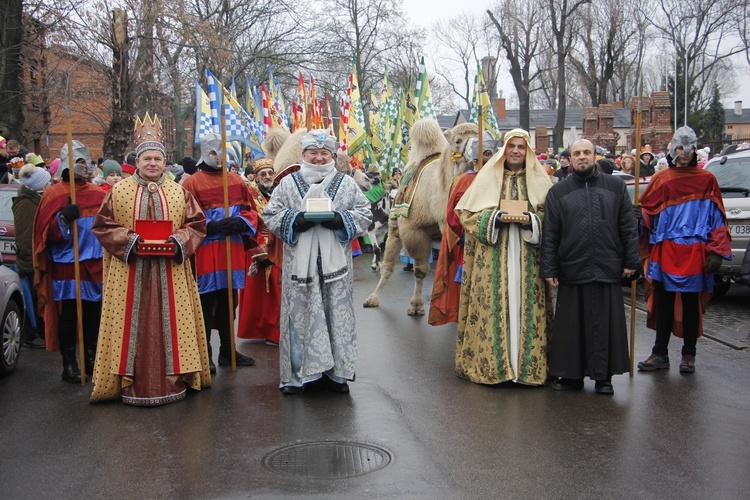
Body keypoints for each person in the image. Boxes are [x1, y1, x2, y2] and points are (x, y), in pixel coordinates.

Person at [89, 113, 211, 406]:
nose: (153, 163)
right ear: (138, 161)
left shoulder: (178, 192)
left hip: (172, 273)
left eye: (157, 158)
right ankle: (129, 382)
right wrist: (132, 241)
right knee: (132, 324)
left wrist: (178, 241)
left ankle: (174, 380)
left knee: (172, 324)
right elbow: (102, 225)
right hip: (129, 273)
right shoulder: (118, 191)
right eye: (147, 159)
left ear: (164, 160)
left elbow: (197, 225)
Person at [263, 129, 372, 394]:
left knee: (336, 318)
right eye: (314, 153)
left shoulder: (346, 184)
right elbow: (271, 214)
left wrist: (339, 220)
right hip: (299, 269)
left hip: (337, 270)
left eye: (325, 153)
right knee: (300, 317)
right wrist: (294, 220)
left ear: (332, 155)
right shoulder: (288, 184)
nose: (320, 158)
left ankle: (336, 376)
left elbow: (364, 213)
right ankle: (298, 377)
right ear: (304, 154)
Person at [453, 129, 553, 386]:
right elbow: (467, 215)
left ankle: (525, 371)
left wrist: (531, 220)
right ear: (504, 150)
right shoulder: (487, 179)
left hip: (528, 258)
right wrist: (494, 218)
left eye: (521, 147)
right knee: (495, 306)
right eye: (512, 146)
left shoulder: (541, 183)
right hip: (493, 259)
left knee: (524, 308)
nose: (516, 151)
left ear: (528, 151)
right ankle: (496, 369)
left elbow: (553, 219)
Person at [541, 139, 639, 394]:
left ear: (595, 156)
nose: (582, 157)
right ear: (570, 159)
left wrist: (631, 260)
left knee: (604, 325)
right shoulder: (558, 192)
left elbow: (628, 226)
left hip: (607, 264)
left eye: (587, 152)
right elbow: (551, 232)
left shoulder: (615, 187)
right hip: (573, 265)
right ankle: (572, 376)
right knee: (572, 326)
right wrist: (549, 268)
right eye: (577, 153)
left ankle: (603, 377)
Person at [636, 126, 731, 374]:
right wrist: (638, 218)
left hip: (695, 252)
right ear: (672, 149)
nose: (685, 152)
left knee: (691, 305)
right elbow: (648, 217)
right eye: (680, 147)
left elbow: (717, 219)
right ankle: (660, 353)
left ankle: (689, 355)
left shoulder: (707, 180)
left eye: (689, 147)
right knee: (664, 303)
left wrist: (716, 251)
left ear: (695, 149)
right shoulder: (661, 179)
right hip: (665, 250)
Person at [182, 133, 260, 372]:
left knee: (228, 300)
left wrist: (241, 223)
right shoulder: (191, 183)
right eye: (214, 152)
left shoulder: (236, 180)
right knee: (205, 300)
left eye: (221, 151)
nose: (218, 157)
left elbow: (251, 210)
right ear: (205, 152)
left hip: (231, 247)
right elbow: (183, 217)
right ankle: (204, 353)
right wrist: (210, 226)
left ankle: (227, 350)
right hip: (205, 249)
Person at [33, 140, 105, 383]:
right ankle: (69, 363)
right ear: (67, 163)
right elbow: (44, 236)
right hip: (67, 262)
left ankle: (91, 358)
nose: (84, 166)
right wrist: (63, 219)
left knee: (93, 312)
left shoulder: (98, 194)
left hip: (93, 263)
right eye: (79, 161)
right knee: (70, 313)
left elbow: (107, 226)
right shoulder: (54, 194)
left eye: (87, 161)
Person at [428, 133, 496, 326]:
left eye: (490, 153)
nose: (488, 158)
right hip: (467, 246)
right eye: (486, 154)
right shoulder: (461, 182)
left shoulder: (499, 180)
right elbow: (452, 218)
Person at [237, 157, 282, 345]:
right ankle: (265, 329)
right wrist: (260, 252)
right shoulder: (249, 194)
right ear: (255, 176)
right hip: (258, 246)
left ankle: (275, 330)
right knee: (263, 294)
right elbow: (247, 223)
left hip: (278, 245)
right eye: (263, 174)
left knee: (278, 290)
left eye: (270, 173)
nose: (267, 176)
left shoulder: (279, 192)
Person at [13, 164, 51, 348]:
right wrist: (30, 262)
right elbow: (26, 236)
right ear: (39, 186)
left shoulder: (33, 201)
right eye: (47, 182)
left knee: (36, 298)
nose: (50, 184)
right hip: (30, 261)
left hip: (34, 258)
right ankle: (30, 334)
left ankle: (36, 332)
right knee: (31, 299)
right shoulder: (27, 205)